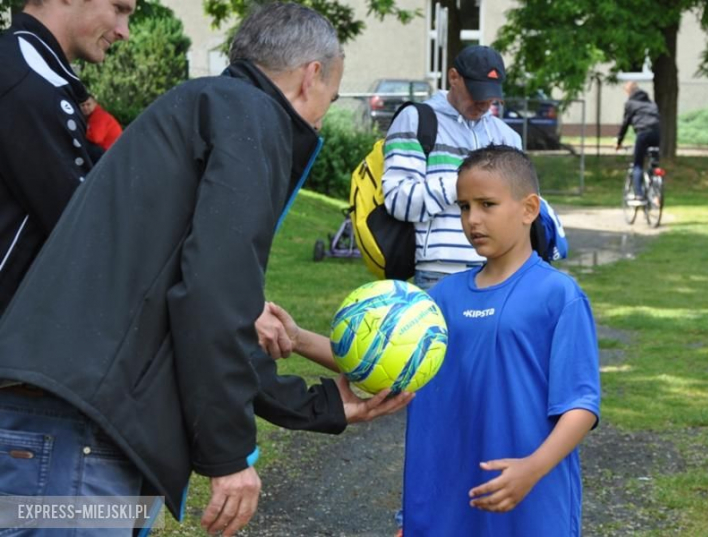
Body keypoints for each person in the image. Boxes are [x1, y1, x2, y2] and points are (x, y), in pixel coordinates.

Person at [0, 3, 411, 536]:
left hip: (59, 430)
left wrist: (318, 405)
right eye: (330, 102)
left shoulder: (206, 107)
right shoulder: (252, 118)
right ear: (312, 77)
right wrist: (229, 456)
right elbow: (211, 297)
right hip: (80, 439)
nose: (319, 117)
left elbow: (205, 306)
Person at [263, 145, 601, 536]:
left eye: (487, 204)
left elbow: (580, 406)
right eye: (464, 207)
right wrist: (298, 338)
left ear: (528, 209)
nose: (472, 220)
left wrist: (532, 468)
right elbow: (378, 362)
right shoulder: (440, 298)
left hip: (529, 500)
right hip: (442, 503)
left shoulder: (558, 295)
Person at [381, 45, 567, 290]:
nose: (484, 103)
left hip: (504, 271)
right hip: (441, 272)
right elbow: (398, 201)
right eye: (477, 92)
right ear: (454, 78)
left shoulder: (507, 136)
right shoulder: (417, 120)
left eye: (491, 96)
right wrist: (465, 185)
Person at [0, 0, 135, 316]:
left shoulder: (29, 73)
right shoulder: (27, 86)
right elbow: (90, 234)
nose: (124, 32)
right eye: (118, 8)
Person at [615, 81, 661, 200]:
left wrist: (619, 142)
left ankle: (639, 194)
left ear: (629, 92)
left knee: (638, 165)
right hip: (656, 133)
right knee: (654, 163)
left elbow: (625, 123)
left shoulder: (630, 104)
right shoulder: (651, 103)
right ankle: (655, 189)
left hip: (643, 133)